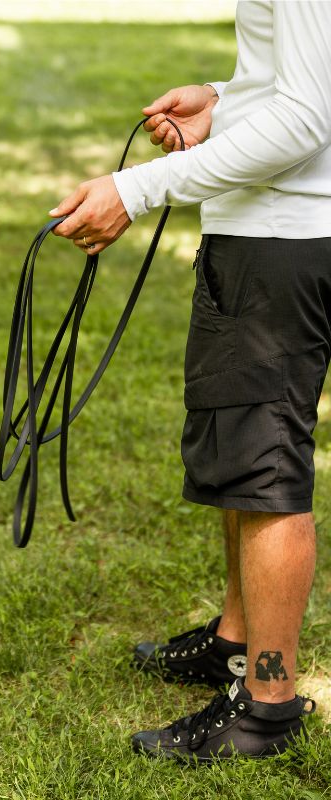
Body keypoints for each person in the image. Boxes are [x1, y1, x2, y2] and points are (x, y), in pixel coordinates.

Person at [48, 1, 330, 762]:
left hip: (285, 238)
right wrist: (225, 98)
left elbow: (308, 118)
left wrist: (138, 188)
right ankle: (237, 645)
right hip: (272, 230)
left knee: (265, 463)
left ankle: (266, 702)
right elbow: (302, 73)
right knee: (241, 449)